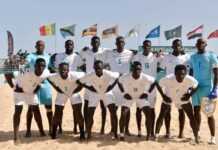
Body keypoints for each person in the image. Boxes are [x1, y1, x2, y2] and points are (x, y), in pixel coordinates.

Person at [5, 58, 48, 142]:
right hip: (20, 92)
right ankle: (16, 137)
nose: (41, 68)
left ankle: (42, 131)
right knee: (18, 111)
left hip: (31, 93)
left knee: (36, 110)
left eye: (43, 66)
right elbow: (7, 74)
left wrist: (37, 88)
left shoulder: (45, 73)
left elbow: (41, 81)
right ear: (35, 66)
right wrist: (13, 87)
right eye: (39, 66)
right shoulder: (25, 71)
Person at [155, 64, 199, 143]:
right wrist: (163, 96)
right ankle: (156, 136)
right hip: (169, 98)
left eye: (183, 74)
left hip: (183, 99)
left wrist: (189, 95)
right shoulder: (168, 79)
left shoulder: (190, 79)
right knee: (161, 116)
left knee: (191, 117)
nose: (181, 76)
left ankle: (196, 137)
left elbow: (197, 85)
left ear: (185, 73)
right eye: (178, 74)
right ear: (175, 73)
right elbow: (158, 84)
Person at [77, 60, 119, 140]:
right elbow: (79, 81)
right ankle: (88, 133)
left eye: (99, 68)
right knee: (90, 113)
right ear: (94, 68)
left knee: (113, 112)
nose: (98, 70)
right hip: (95, 93)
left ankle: (115, 133)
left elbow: (117, 77)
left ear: (102, 68)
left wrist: (110, 87)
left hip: (106, 92)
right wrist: (90, 88)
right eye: (96, 68)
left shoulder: (107, 73)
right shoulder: (90, 75)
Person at [101, 36, 133, 136]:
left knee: (127, 109)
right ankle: (113, 129)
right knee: (113, 110)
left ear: (125, 43)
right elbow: (100, 58)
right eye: (118, 42)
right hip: (113, 85)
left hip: (126, 85)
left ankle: (126, 129)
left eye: (122, 42)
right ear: (115, 43)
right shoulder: (110, 53)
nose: (120, 44)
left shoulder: (130, 53)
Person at [189, 38, 218, 144]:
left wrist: (215, 89)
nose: (199, 44)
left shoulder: (211, 56)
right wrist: (189, 86)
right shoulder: (192, 57)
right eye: (197, 43)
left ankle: (213, 137)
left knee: (209, 113)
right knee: (196, 111)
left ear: (206, 44)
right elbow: (191, 73)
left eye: (201, 43)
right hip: (195, 87)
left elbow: (216, 73)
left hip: (207, 88)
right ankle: (197, 135)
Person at [159, 39, 190, 138]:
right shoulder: (167, 57)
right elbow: (160, 70)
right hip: (169, 87)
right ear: (172, 47)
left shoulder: (186, 58)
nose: (177, 47)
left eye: (179, 46)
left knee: (181, 110)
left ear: (181, 47)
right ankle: (168, 132)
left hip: (182, 87)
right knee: (167, 110)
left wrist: (188, 87)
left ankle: (181, 133)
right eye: (175, 46)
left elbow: (190, 71)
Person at [52, 40, 83, 134]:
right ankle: (58, 128)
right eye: (67, 44)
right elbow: (54, 70)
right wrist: (57, 87)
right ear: (65, 45)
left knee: (77, 110)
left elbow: (82, 69)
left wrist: (78, 84)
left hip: (73, 85)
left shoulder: (77, 57)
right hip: (62, 86)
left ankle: (76, 128)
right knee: (59, 110)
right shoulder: (59, 56)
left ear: (73, 46)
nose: (69, 46)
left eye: (71, 44)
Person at [47, 62, 85, 140]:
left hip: (73, 92)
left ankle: (82, 133)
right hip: (62, 92)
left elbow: (85, 78)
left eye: (65, 70)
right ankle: (54, 133)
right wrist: (56, 88)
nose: (63, 71)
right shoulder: (54, 76)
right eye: (61, 70)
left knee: (78, 112)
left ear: (68, 70)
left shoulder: (75, 75)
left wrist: (78, 88)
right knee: (57, 112)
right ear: (58, 70)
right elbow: (48, 78)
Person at [118, 61, 154, 140]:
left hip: (140, 97)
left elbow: (154, 82)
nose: (137, 71)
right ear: (132, 69)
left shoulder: (145, 77)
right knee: (123, 113)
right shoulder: (126, 76)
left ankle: (148, 135)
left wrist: (147, 93)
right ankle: (121, 134)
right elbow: (119, 82)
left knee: (148, 113)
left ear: (141, 70)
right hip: (129, 97)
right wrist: (124, 93)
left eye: (139, 69)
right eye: (135, 69)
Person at [79, 36, 108, 134]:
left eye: (97, 42)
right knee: (87, 106)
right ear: (91, 43)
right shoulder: (86, 52)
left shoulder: (104, 52)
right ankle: (87, 126)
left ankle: (103, 128)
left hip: (101, 82)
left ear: (99, 43)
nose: (95, 43)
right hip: (89, 83)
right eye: (94, 42)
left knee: (103, 106)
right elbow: (79, 59)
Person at [25, 40, 54, 136]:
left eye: (42, 45)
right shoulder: (31, 56)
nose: (40, 46)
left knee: (49, 107)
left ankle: (50, 128)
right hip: (33, 83)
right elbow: (25, 63)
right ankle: (28, 130)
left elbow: (51, 67)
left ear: (44, 46)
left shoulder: (48, 57)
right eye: (38, 45)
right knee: (31, 108)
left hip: (46, 84)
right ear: (35, 46)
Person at [132, 40, 158, 138]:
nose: (147, 47)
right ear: (143, 46)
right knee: (139, 109)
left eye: (149, 46)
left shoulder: (155, 56)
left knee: (152, 110)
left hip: (152, 87)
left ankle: (151, 130)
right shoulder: (137, 56)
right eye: (146, 46)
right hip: (140, 86)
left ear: (151, 47)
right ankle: (139, 130)